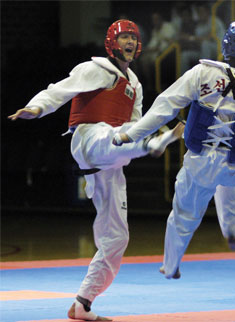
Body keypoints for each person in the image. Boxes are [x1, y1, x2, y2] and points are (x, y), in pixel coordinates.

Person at [8, 19, 184, 320]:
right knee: (112, 136)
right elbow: (59, 91)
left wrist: (146, 132)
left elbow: (135, 123)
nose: (129, 41)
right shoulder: (95, 68)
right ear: (112, 42)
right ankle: (154, 144)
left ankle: (83, 304)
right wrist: (35, 108)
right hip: (89, 138)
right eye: (124, 36)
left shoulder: (136, 85)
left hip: (109, 166)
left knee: (116, 240)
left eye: (133, 37)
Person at [114, 20, 235, 279]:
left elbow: (164, 106)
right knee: (230, 189)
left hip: (201, 161)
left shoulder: (202, 73)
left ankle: (170, 266)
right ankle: (231, 230)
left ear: (226, 44)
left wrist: (131, 134)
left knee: (184, 215)